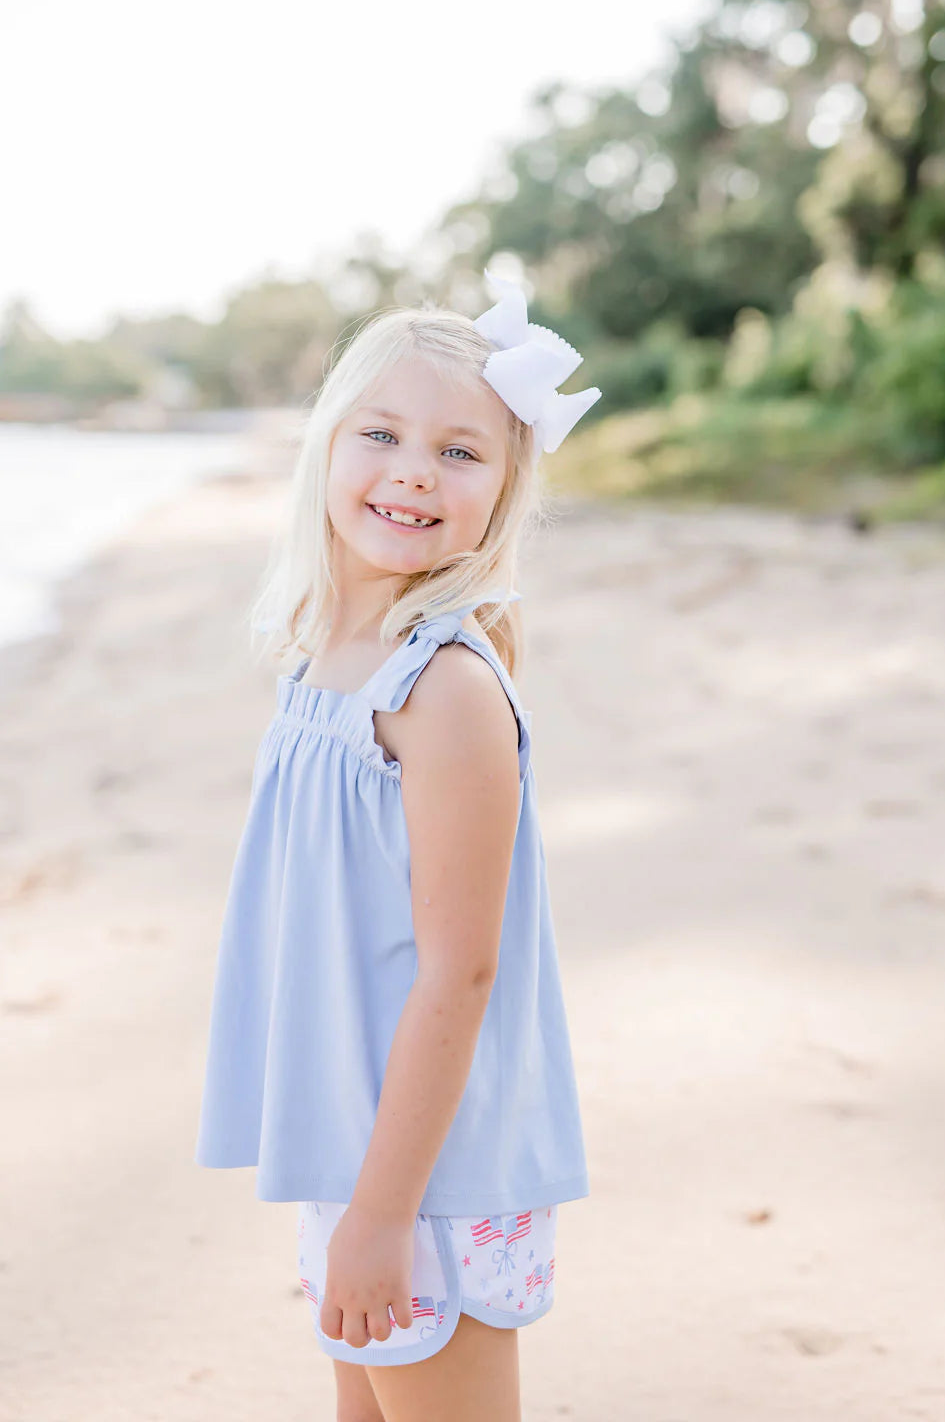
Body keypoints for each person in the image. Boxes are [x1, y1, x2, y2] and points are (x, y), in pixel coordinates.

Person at [193, 268, 601, 1422]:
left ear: (506, 488)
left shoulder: (446, 690)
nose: (415, 469)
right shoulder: (320, 660)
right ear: (326, 447)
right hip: (356, 1131)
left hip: (428, 1164)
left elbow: (461, 971)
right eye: (382, 433)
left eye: (461, 452)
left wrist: (382, 1214)